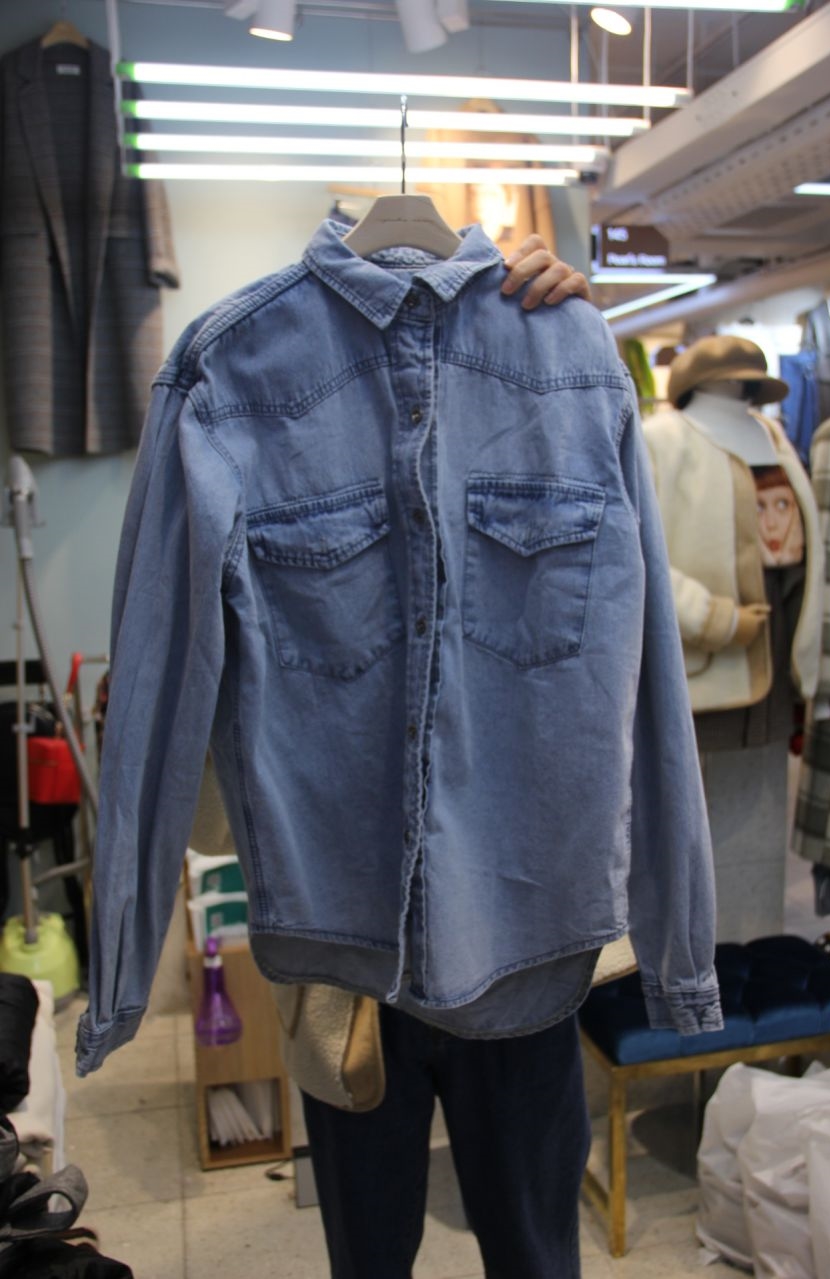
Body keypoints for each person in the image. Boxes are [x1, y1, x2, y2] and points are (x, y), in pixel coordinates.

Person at [299, 238, 595, 1279]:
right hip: (349, 949)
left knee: (533, 1249)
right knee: (367, 1255)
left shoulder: (548, 366)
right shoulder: (265, 378)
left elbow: (618, 662)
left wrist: (564, 351)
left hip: (516, 930)